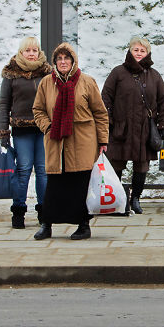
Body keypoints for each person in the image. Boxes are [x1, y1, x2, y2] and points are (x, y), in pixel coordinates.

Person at [32, 43, 108, 240]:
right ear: (55, 62)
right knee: (54, 186)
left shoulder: (87, 82)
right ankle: (46, 224)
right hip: (56, 142)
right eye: (59, 59)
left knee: (80, 186)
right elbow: (38, 110)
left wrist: (103, 140)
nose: (63, 62)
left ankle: (83, 226)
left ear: (73, 61)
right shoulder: (46, 83)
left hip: (83, 142)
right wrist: (47, 127)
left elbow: (100, 113)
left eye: (67, 58)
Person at [101, 37, 164, 214]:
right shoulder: (118, 73)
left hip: (144, 130)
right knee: (116, 164)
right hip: (120, 129)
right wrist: (107, 121)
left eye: (143, 50)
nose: (139, 53)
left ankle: (136, 199)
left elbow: (163, 101)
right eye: (136, 50)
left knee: (142, 166)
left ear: (147, 53)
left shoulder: (154, 75)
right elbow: (105, 98)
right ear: (130, 51)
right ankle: (117, 199)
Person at [0, 36, 52, 229]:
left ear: (39, 53)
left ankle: (44, 212)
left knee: (43, 171)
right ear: (21, 53)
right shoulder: (11, 74)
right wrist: (3, 132)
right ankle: (18, 211)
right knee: (23, 170)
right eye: (27, 50)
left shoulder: (47, 73)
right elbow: (4, 104)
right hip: (22, 130)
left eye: (34, 50)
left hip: (43, 129)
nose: (31, 54)